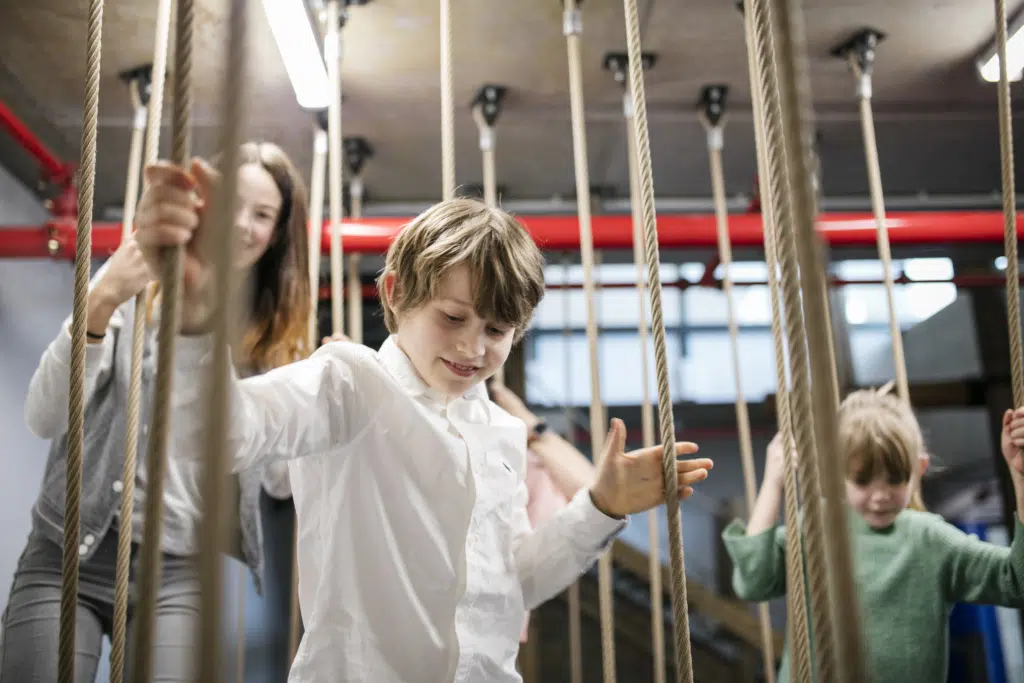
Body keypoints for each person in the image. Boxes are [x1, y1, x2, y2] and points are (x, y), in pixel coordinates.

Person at [132, 191, 715, 683]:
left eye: (497, 329)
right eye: (453, 317)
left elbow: (514, 584)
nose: (473, 348)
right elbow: (209, 433)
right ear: (394, 293)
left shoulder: (500, 433)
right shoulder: (349, 383)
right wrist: (191, 323)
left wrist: (600, 508)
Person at [1, 141, 312, 683]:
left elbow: (282, 486)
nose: (241, 224)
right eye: (232, 203)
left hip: (177, 570)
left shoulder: (274, 344)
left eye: (262, 215)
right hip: (68, 552)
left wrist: (311, 409)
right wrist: (98, 304)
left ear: (278, 235)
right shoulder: (137, 283)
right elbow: (44, 417)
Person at [721, 389, 1024, 683]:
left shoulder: (931, 540)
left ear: (918, 469)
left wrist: (1020, 475)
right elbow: (754, 581)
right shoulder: (818, 526)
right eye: (863, 481)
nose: (880, 496)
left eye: (894, 479)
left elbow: (1016, 582)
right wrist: (774, 482)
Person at [485, 380, 596, 645]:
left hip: (496, 631)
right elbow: (591, 489)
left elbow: (592, 489)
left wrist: (529, 426)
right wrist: (528, 423)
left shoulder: (524, 463)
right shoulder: (496, 461)